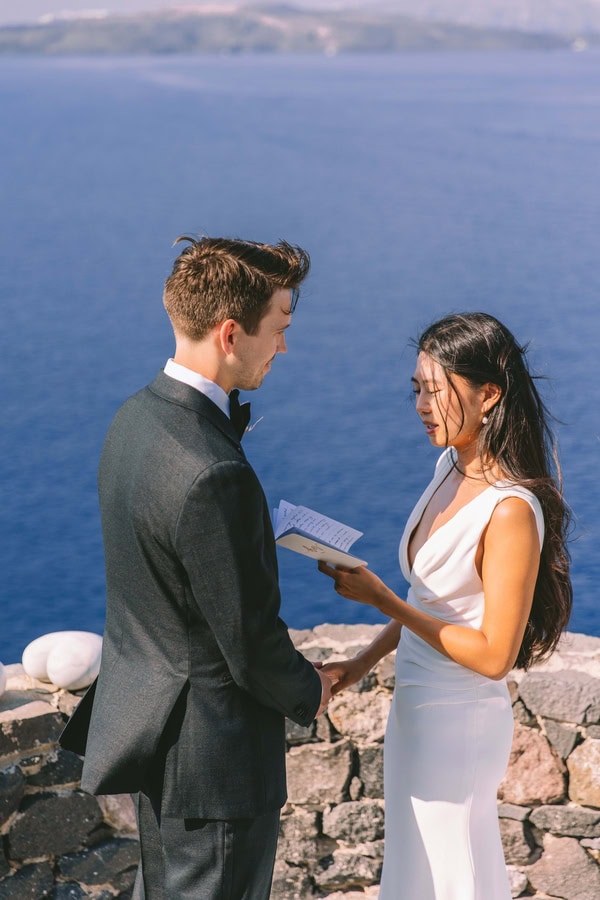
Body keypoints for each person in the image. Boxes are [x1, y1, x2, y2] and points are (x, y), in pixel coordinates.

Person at [60, 235, 334, 900]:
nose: (285, 347)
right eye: (281, 328)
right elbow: (249, 644)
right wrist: (313, 688)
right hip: (215, 765)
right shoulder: (214, 472)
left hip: (158, 742)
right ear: (232, 332)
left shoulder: (134, 421)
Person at [318, 312, 572, 900]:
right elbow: (432, 601)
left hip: (460, 718)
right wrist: (358, 665)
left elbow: (493, 658)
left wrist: (380, 598)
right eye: (417, 389)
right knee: (420, 868)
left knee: (453, 867)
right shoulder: (448, 468)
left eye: (437, 390)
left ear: (489, 394)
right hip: (416, 708)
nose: (422, 404)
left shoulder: (511, 510)